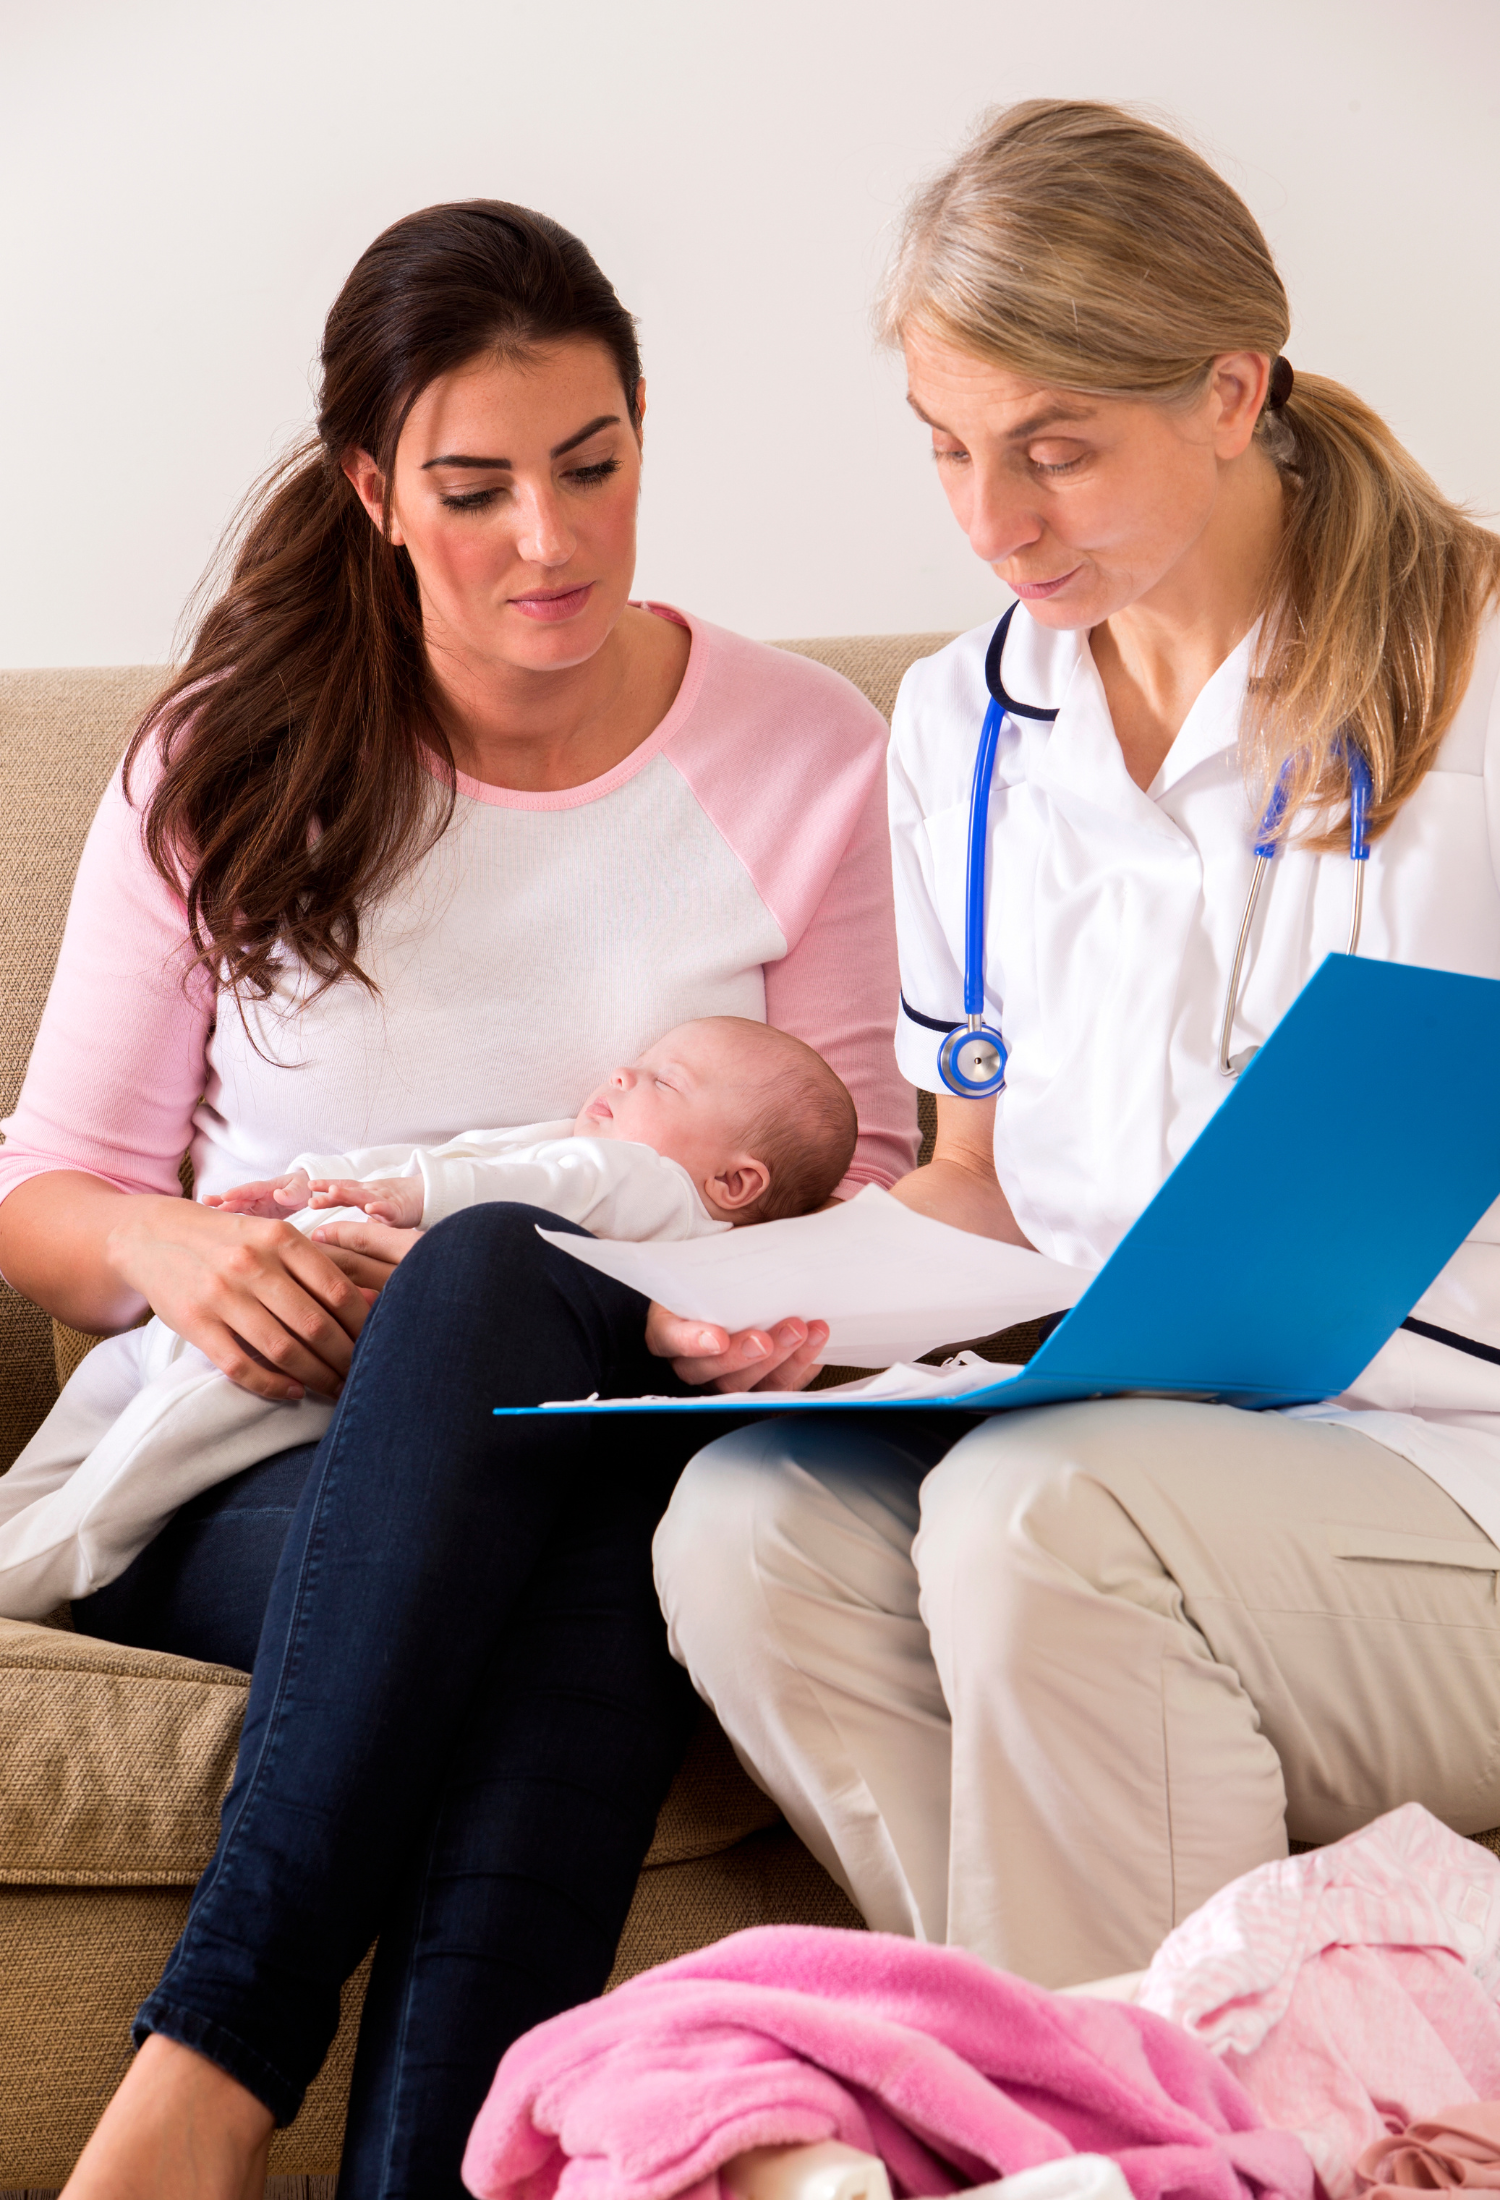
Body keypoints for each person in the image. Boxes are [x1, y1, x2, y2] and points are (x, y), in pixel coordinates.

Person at [0, 201, 914, 2195]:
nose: (551, 540)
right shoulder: (224, 760)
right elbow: (43, 1191)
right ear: (373, 491)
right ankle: (279, 2098)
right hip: (236, 1472)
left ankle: (206, 2085)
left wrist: (726, 1309)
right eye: (476, 486)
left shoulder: (811, 755)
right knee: (566, 1508)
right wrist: (182, 1245)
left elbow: (877, 1188)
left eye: (593, 465)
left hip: (622, 1433)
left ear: (647, 432)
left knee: (548, 1378)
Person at [654, 99, 1500, 1995]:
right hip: (1136, 1438)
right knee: (744, 1525)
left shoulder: (1481, 673)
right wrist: (793, 1310)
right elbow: (974, 1178)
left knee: (1050, 1516)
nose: (992, 520)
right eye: (949, 449)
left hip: (1462, 1471)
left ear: (1229, 389)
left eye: (1055, 451)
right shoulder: (966, 721)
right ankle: (1097, 2082)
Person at [0, 1017, 857, 1621]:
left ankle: (41, 1567)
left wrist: (407, 1196)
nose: (624, 1074)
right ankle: (23, 1531)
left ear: (737, 1184)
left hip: (304, 1332)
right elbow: (463, 1155)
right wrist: (311, 1184)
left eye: (665, 1079)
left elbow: (505, 1191)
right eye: (638, 1061)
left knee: (146, 1445)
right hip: (250, 1281)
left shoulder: (654, 1187)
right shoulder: (587, 1148)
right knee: (100, 1417)